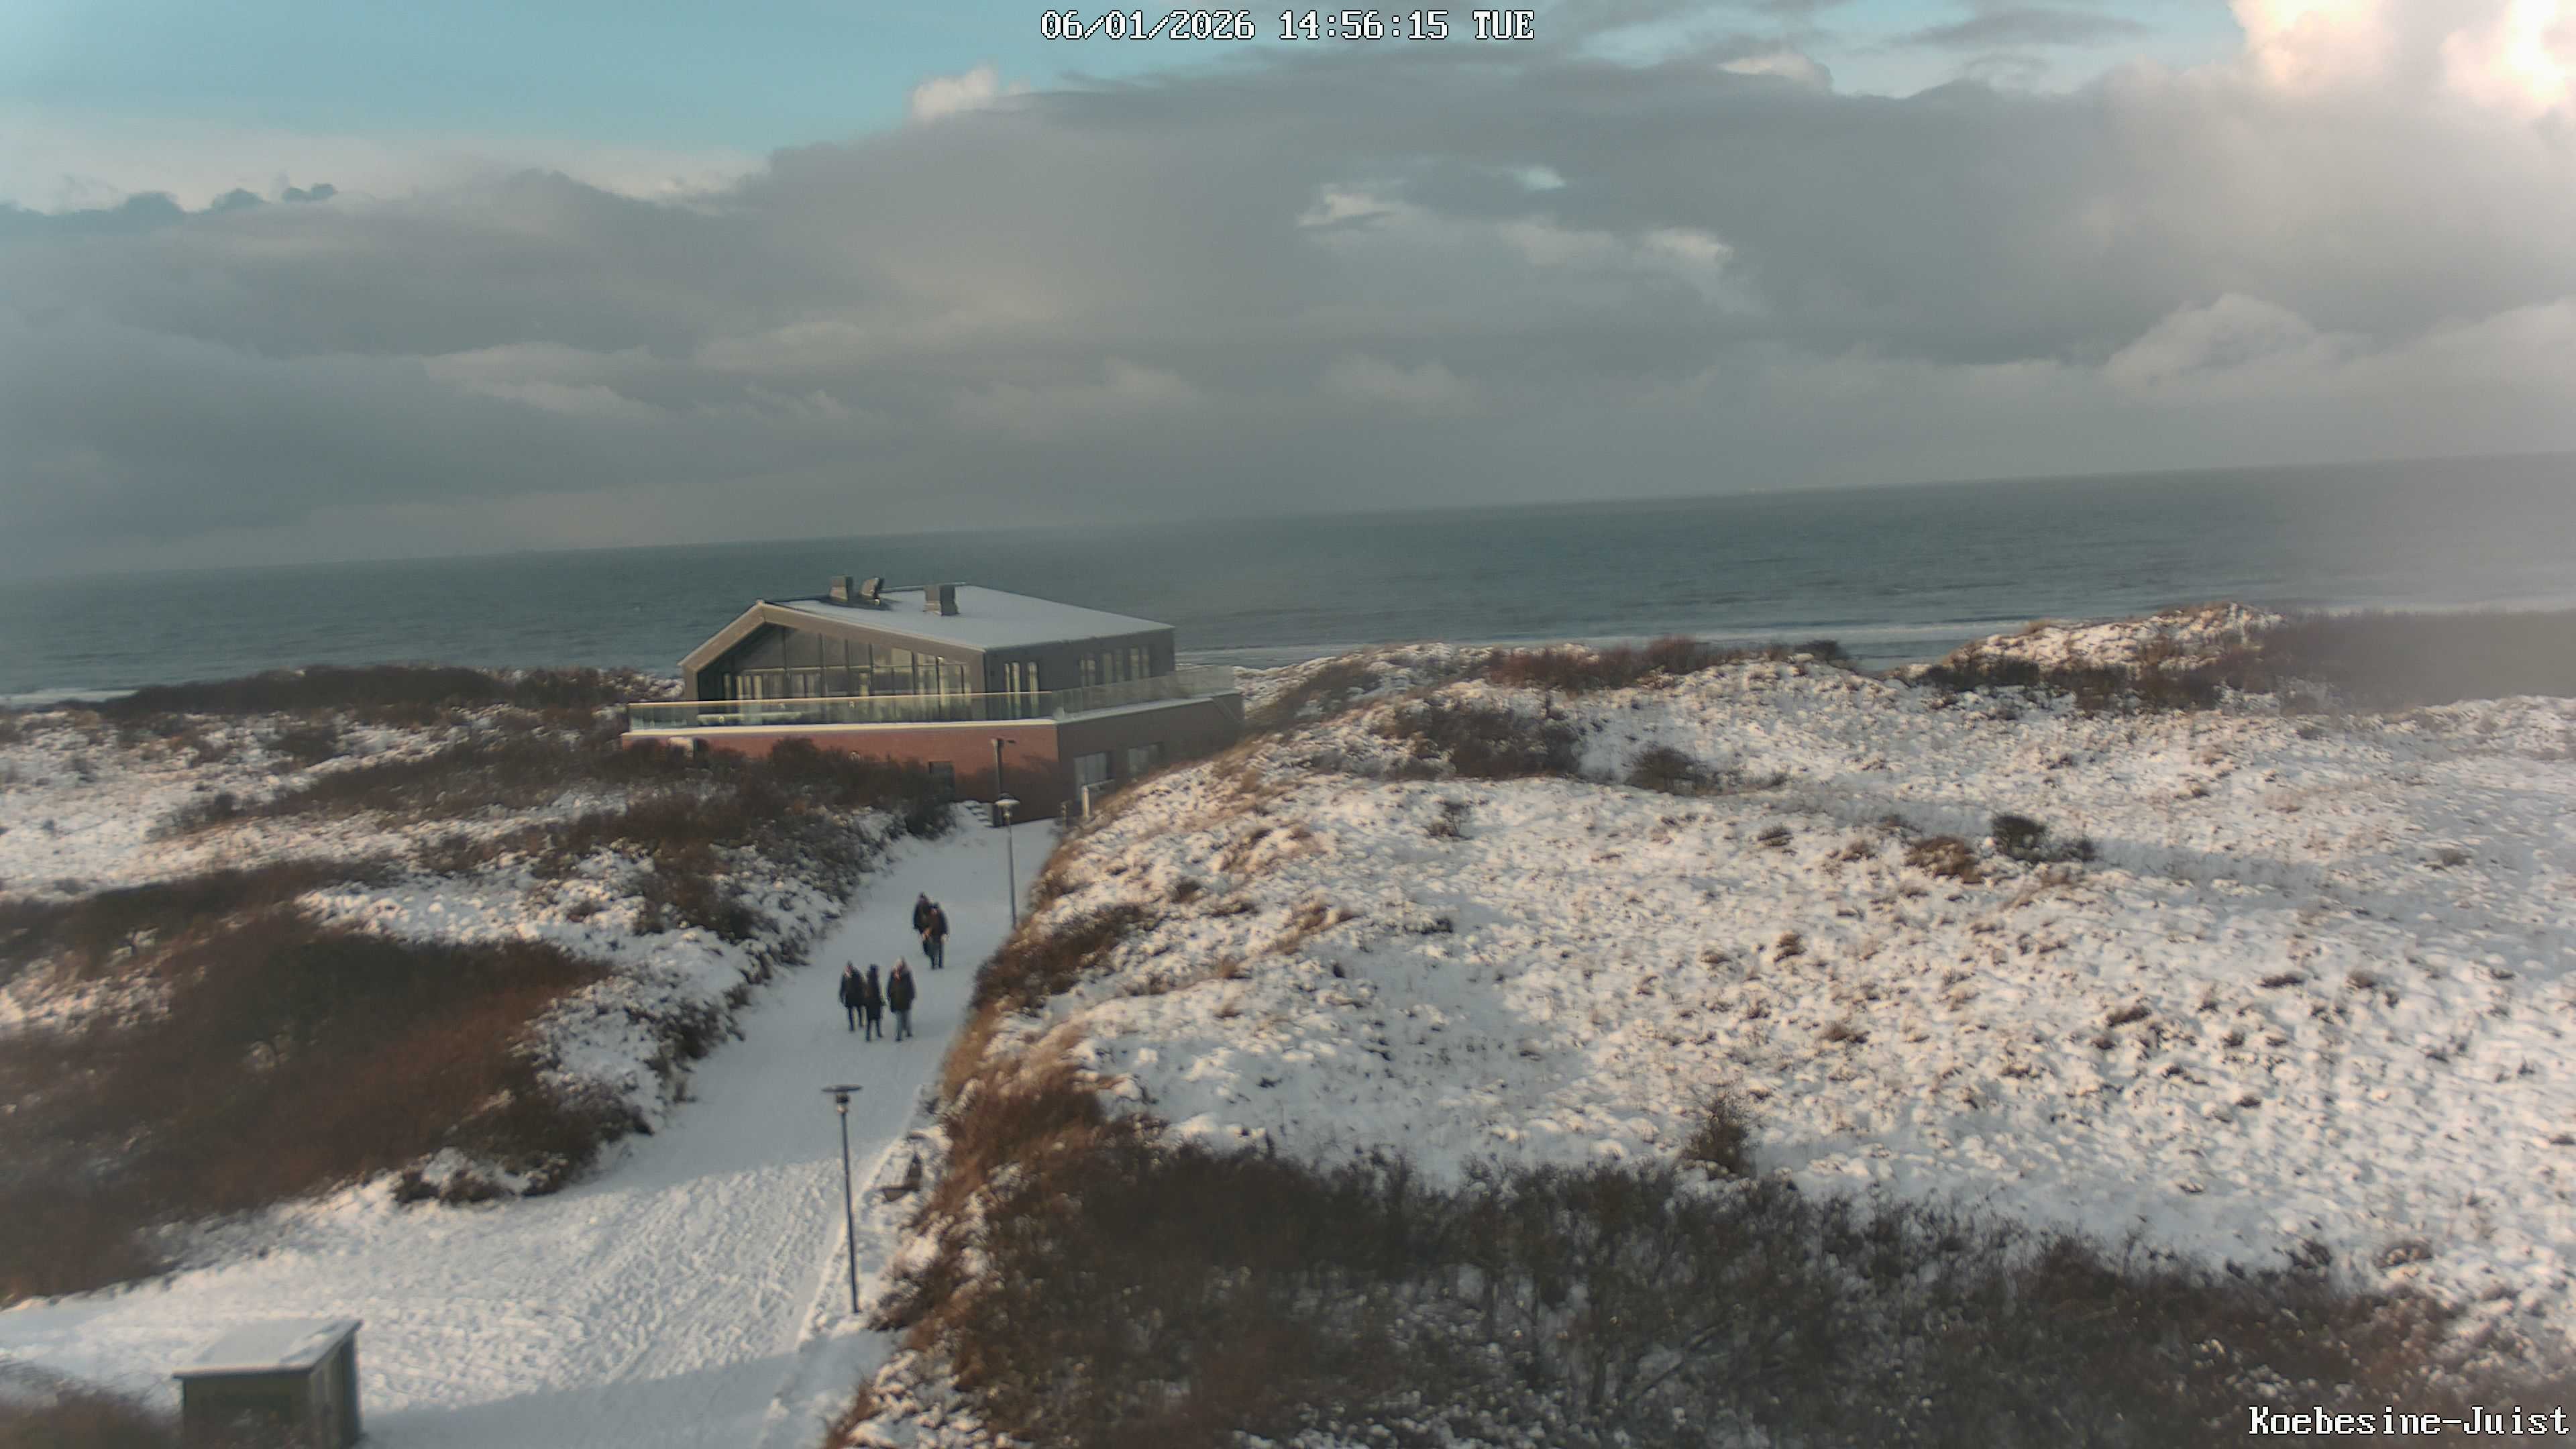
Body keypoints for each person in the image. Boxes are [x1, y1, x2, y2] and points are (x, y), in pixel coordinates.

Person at [887, 959, 917, 1041]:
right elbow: (889, 988)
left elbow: (889, 987)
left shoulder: (899, 975)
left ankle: (905, 1033)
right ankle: (903, 1034)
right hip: (900, 1001)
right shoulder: (906, 974)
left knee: (904, 1018)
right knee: (902, 1019)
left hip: (901, 1001)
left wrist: (889, 996)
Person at [920, 899, 950, 971]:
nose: (934, 911)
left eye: (935, 910)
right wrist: (925, 933)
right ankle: (933, 964)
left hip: (940, 935)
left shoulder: (941, 916)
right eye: (933, 910)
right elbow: (925, 926)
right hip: (932, 936)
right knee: (932, 951)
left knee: (940, 951)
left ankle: (940, 964)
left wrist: (945, 934)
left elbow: (945, 925)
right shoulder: (929, 917)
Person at [860, 964, 885, 1042]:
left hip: (869, 1003)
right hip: (874, 1003)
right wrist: (881, 1001)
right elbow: (877, 993)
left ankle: (869, 1035)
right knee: (876, 1018)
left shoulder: (869, 980)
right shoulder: (874, 981)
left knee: (870, 1020)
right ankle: (877, 1033)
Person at [837, 963, 863, 1033]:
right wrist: (841, 996)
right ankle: (852, 1026)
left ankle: (860, 1022)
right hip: (849, 996)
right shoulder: (845, 975)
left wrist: (862, 993)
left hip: (857, 996)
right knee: (850, 1012)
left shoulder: (857, 974)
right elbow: (842, 986)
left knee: (859, 1010)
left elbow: (862, 985)